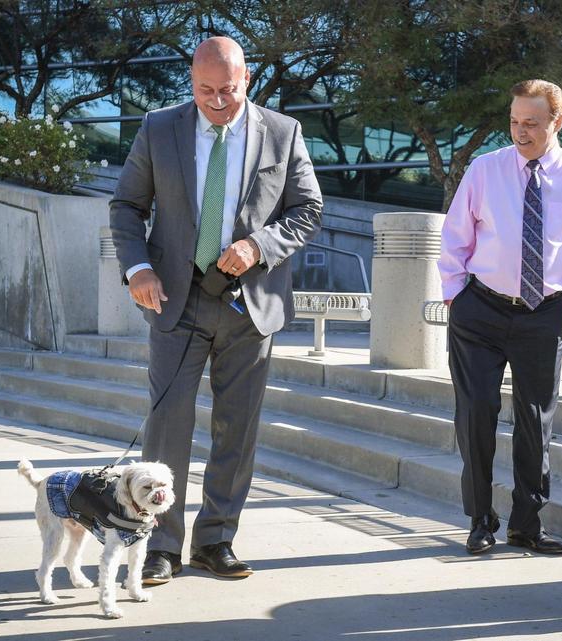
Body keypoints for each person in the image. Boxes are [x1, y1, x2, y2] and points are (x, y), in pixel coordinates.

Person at [109, 36, 322, 584]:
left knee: (236, 431)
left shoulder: (283, 131)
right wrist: (138, 269)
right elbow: (127, 206)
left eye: (228, 89)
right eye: (206, 90)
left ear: (246, 79)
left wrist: (259, 246)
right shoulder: (159, 127)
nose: (218, 101)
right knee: (167, 429)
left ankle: (216, 539)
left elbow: (307, 209)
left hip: (249, 308)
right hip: (175, 303)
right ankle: (159, 545)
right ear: (191, 82)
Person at [439, 79, 562, 556]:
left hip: (545, 313)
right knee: (476, 415)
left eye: (531, 123)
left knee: (535, 420)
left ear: (556, 122)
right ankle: (480, 519)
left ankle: (527, 524)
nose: (520, 133)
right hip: (479, 310)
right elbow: (455, 235)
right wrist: (453, 296)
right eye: (514, 122)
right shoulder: (485, 170)